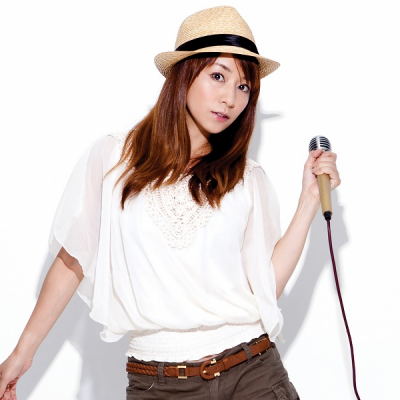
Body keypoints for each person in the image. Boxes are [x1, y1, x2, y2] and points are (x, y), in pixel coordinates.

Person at [0, 5, 340, 400]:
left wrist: (308, 201)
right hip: (157, 384)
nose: (230, 98)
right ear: (184, 74)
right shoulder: (113, 159)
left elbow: (265, 286)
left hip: (253, 375)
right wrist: (22, 354)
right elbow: (72, 260)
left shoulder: (248, 179)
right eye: (218, 76)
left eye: (244, 87)